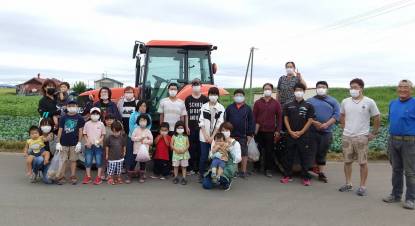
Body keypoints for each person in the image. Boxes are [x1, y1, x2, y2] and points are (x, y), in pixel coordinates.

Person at [339, 78, 380, 196]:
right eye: (351, 87)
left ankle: (362, 186)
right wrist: (344, 127)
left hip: (361, 137)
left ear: (361, 88)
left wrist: (374, 133)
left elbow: (377, 117)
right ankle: (348, 184)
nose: (353, 90)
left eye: (355, 87)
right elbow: (342, 115)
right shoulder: (345, 101)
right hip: (347, 136)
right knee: (347, 161)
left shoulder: (369, 102)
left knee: (362, 162)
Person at [383, 79, 415, 210]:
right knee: (396, 170)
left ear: (411, 89)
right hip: (393, 140)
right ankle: (396, 195)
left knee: (410, 172)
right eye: (400, 87)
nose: (402, 89)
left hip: (410, 142)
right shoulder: (393, 103)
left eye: (406, 87)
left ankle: (410, 199)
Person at [281, 83, 315, 186]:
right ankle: (287, 176)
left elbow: (310, 120)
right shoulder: (288, 105)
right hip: (290, 135)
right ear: (294, 92)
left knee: (304, 157)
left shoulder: (309, 106)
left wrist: (301, 132)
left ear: (304, 92)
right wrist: (290, 131)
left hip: (303, 136)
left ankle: (305, 177)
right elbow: (285, 118)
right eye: (297, 90)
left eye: (300, 90)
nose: (298, 92)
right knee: (288, 156)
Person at [307, 81, 340, 183]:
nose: (321, 88)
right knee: (310, 151)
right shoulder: (309, 101)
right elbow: (306, 114)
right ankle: (308, 171)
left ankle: (321, 173)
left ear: (327, 89)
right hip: (312, 130)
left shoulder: (333, 101)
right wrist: (314, 122)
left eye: (323, 87)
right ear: (316, 89)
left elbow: (336, 115)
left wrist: (326, 124)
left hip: (327, 131)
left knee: (322, 152)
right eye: (319, 87)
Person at [253, 83, 282, 177]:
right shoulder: (258, 103)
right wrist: (252, 130)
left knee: (269, 151)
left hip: (270, 131)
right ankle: (257, 167)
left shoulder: (276, 103)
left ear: (272, 90)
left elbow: (279, 118)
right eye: (265, 89)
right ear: (263, 90)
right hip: (259, 130)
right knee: (258, 150)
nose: (267, 90)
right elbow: (254, 117)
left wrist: (278, 130)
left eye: (269, 89)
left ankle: (268, 169)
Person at [202, 122, 242, 191]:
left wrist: (230, 150)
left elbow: (238, 159)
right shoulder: (216, 141)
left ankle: (226, 180)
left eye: (227, 130)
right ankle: (215, 178)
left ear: (230, 131)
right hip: (216, 165)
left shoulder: (235, 143)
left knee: (222, 181)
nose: (225, 132)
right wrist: (214, 154)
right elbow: (210, 155)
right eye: (223, 130)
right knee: (206, 185)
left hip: (228, 166)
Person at [225, 89, 255, 178]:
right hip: (231, 135)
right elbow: (225, 121)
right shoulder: (229, 108)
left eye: (240, 95)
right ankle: (233, 171)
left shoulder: (248, 108)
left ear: (244, 97)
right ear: (234, 97)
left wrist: (250, 134)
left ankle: (243, 171)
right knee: (231, 153)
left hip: (243, 135)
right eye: (237, 95)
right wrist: (225, 133)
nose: (239, 97)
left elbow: (251, 122)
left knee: (244, 153)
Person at [198, 87, 225, 182]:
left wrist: (212, 137)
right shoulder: (204, 106)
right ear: (208, 95)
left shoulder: (221, 107)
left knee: (215, 154)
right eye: (211, 94)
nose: (213, 96)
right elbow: (201, 122)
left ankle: (212, 174)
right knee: (204, 156)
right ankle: (201, 174)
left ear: (218, 96)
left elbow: (219, 124)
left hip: (215, 137)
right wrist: (206, 136)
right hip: (203, 136)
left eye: (215, 94)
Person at [55, 100, 85, 185]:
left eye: (74, 105)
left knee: (73, 160)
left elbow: (80, 131)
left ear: (77, 107)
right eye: (70, 105)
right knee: (63, 160)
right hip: (63, 142)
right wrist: (58, 142)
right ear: (67, 107)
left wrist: (79, 142)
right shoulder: (63, 117)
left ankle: (73, 176)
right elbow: (60, 130)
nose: (72, 107)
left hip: (74, 143)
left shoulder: (79, 118)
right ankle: (62, 176)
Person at [185, 79, 208, 175]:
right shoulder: (188, 99)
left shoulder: (204, 99)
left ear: (201, 86)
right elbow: (186, 114)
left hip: (201, 128)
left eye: (197, 84)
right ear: (192, 86)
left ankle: (199, 168)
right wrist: (186, 126)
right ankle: (190, 168)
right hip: (190, 127)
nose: (196, 86)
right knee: (191, 148)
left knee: (200, 148)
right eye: (194, 84)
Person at [127, 100, 152, 178]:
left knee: (142, 156)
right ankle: (131, 172)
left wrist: (143, 137)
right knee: (132, 156)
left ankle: (141, 173)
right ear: (138, 106)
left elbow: (148, 127)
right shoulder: (133, 114)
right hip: (133, 138)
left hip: (144, 140)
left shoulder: (148, 116)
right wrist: (137, 135)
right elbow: (131, 127)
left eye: (144, 106)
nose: (142, 107)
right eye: (141, 105)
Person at [82, 107, 106, 185]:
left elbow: (103, 135)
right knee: (88, 161)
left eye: (97, 114)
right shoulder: (87, 123)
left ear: (99, 115)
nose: (95, 115)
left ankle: (98, 177)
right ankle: (88, 177)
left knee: (99, 161)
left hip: (98, 146)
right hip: (89, 146)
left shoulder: (101, 124)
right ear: (90, 114)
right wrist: (87, 141)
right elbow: (84, 134)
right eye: (93, 114)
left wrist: (99, 141)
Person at [130, 114, 153, 183]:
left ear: (147, 122)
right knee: (133, 163)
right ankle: (129, 176)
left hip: (144, 151)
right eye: (141, 120)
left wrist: (145, 141)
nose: (143, 122)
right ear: (138, 121)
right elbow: (132, 138)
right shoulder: (136, 129)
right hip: (136, 150)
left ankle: (142, 176)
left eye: (144, 120)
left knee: (143, 164)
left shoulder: (148, 131)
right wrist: (139, 138)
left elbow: (151, 141)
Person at [105, 120, 127, 185]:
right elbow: (107, 146)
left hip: (120, 157)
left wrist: (124, 152)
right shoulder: (109, 138)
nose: (116, 133)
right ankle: (110, 178)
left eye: (117, 132)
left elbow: (124, 145)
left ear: (120, 130)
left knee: (119, 168)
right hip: (111, 157)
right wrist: (106, 154)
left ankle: (118, 177)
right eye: (114, 132)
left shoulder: (122, 137)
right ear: (112, 130)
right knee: (111, 168)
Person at [171, 121, 190, 185]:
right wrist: (175, 149)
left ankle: (184, 178)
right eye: (178, 128)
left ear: (184, 128)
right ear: (176, 128)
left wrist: (184, 149)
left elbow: (188, 144)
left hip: (184, 154)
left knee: (184, 166)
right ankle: (175, 177)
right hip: (176, 154)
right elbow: (171, 144)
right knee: (175, 166)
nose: (180, 129)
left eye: (181, 128)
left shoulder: (186, 136)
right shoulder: (174, 136)